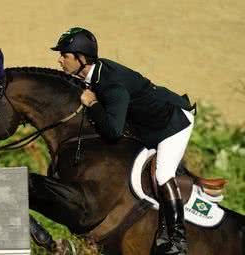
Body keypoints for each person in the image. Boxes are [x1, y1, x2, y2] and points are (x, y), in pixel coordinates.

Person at [51, 27, 196, 255]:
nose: (60, 60)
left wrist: (92, 104)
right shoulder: (94, 72)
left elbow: (113, 132)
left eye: (64, 55)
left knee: (163, 174)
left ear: (81, 59)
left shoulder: (111, 85)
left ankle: (178, 239)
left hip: (173, 123)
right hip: (147, 124)